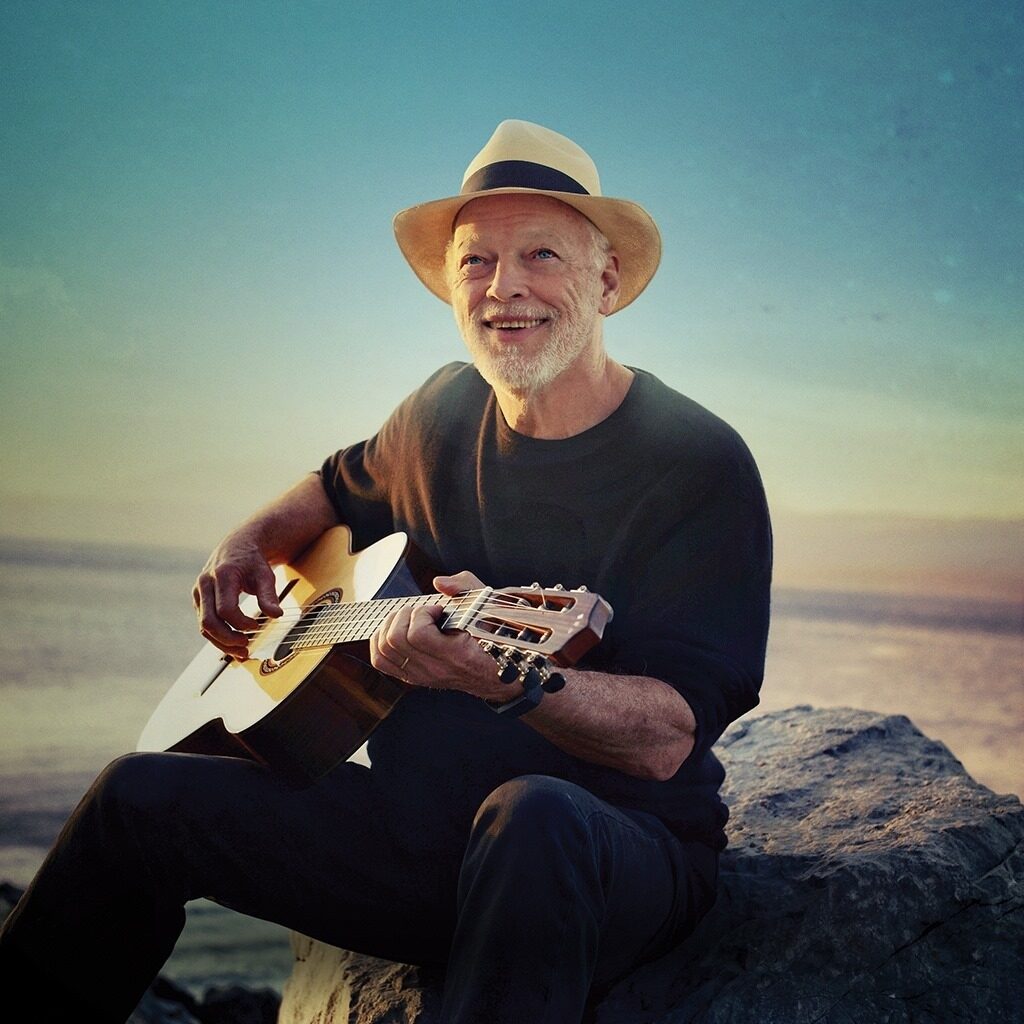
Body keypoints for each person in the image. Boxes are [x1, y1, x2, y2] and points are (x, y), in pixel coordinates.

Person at [0, 119, 772, 1023]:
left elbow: (668, 736)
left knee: (535, 816)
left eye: (542, 256)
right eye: (476, 263)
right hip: (410, 848)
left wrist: (506, 683)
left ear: (607, 280)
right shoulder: (441, 410)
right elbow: (332, 487)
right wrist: (245, 546)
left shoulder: (697, 465)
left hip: (605, 865)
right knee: (138, 797)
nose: (504, 288)